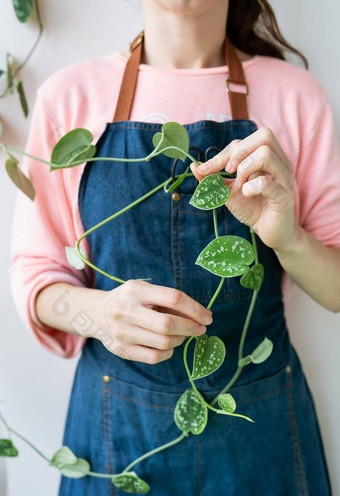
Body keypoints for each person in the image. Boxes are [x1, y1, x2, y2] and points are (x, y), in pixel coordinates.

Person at [9, 0, 340, 494]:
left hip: (259, 431)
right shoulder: (70, 97)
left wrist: (287, 237)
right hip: (117, 438)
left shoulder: (295, 96)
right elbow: (35, 277)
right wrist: (98, 314)